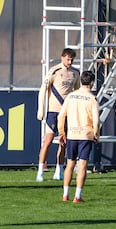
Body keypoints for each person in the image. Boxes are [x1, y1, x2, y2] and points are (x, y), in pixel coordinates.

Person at [36, 48, 80, 182]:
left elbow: (77, 92)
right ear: (62, 58)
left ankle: (59, 171)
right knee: (48, 140)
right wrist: (41, 109)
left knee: (63, 141)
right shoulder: (54, 71)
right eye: (68, 59)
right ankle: (40, 171)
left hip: (67, 112)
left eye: (72, 59)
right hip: (53, 111)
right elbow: (43, 89)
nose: (70, 62)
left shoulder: (75, 73)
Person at [58, 71, 99, 202]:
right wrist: (96, 134)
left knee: (70, 164)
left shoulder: (71, 96)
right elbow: (96, 120)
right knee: (82, 166)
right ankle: (78, 196)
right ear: (92, 83)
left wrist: (61, 132)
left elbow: (61, 115)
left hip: (72, 134)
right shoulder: (92, 99)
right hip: (85, 135)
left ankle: (65, 194)